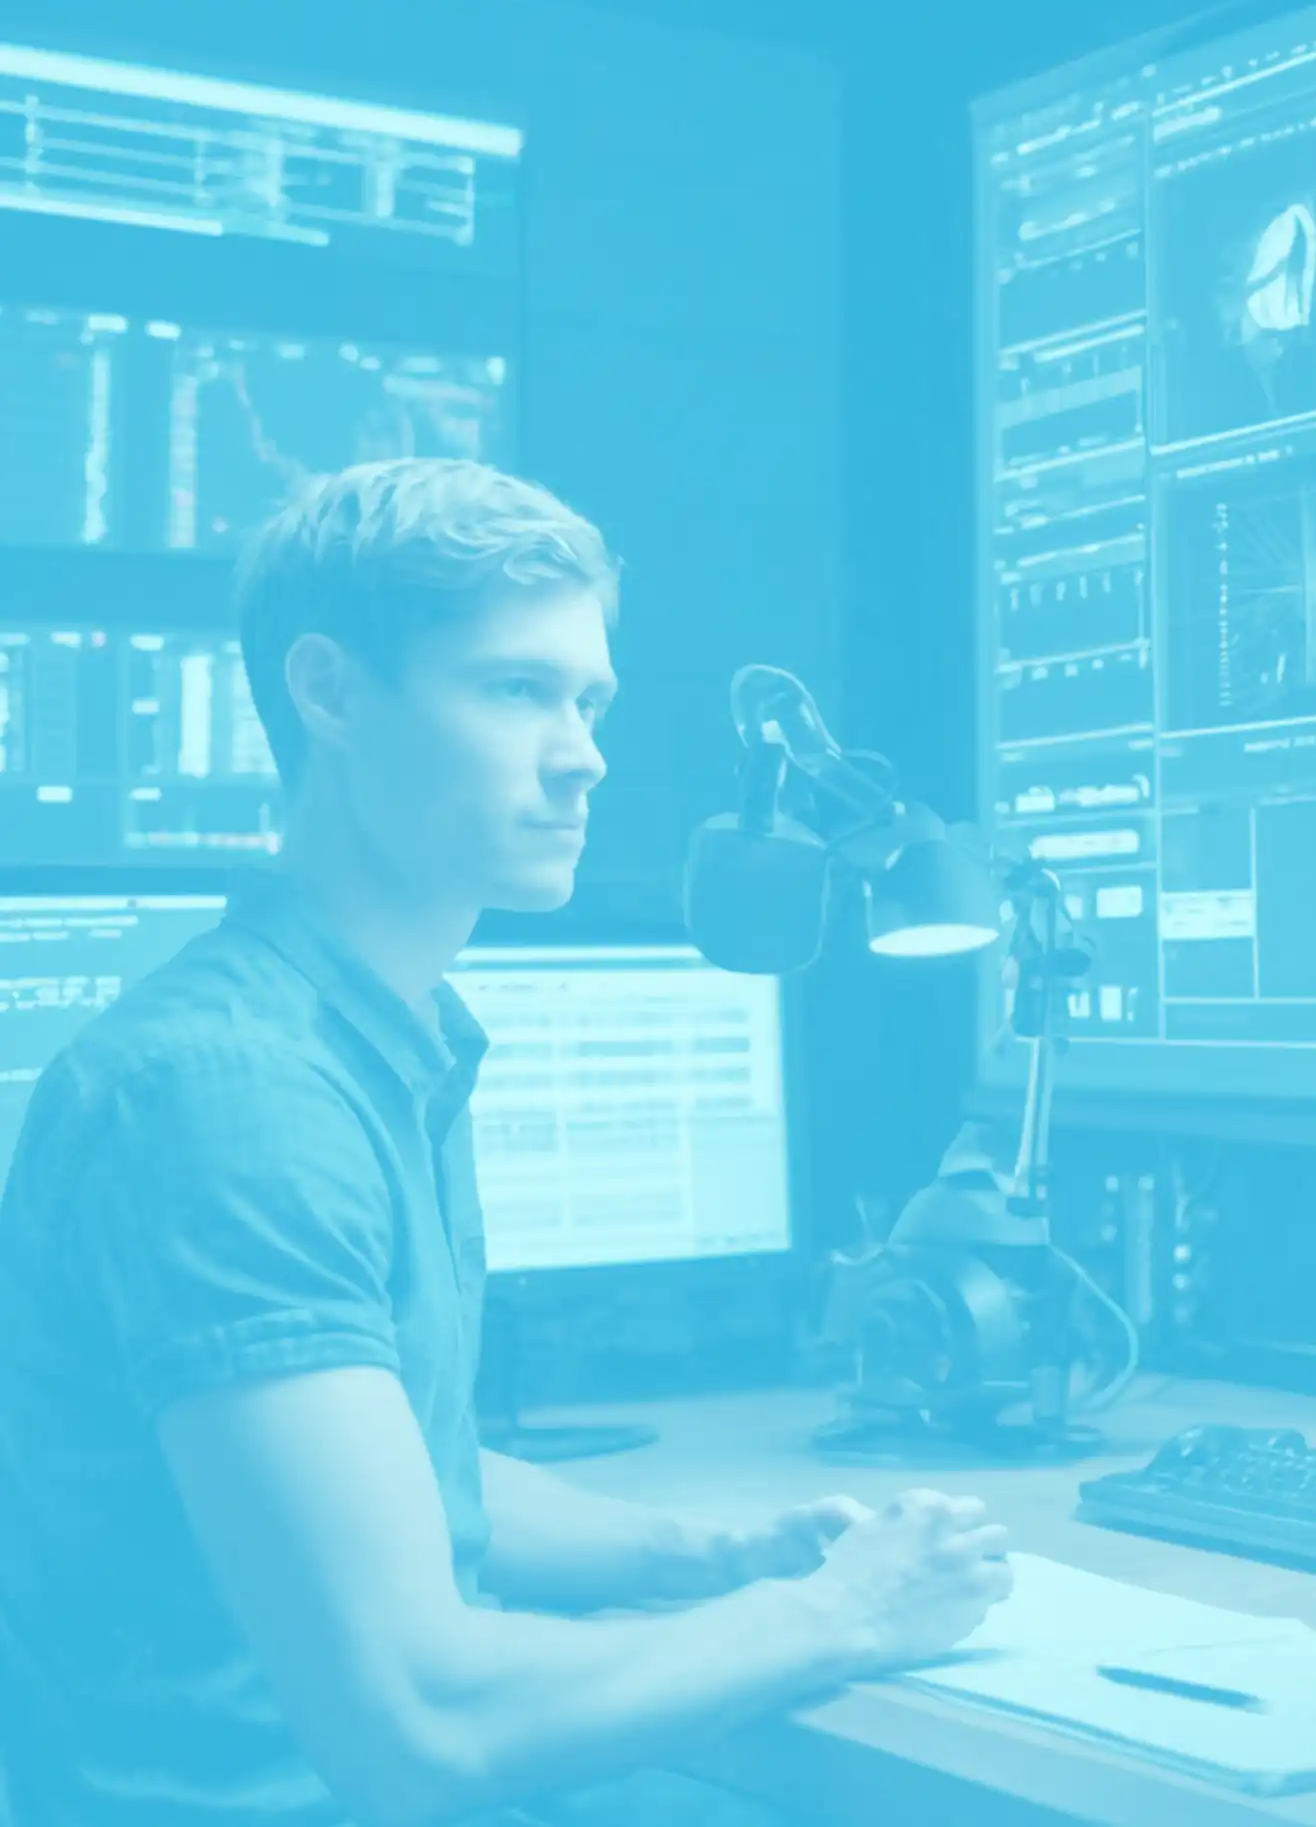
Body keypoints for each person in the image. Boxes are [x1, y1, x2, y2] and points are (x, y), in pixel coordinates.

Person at [0, 459, 1012, 1827]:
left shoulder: (368, 1041)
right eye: (515, 690)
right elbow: (422, 1721)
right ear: (333, 693)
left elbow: (411, 1483)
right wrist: (844, 1612)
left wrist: (711, 1556)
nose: (584, 749)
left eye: (588, 699)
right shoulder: (234, 1101)